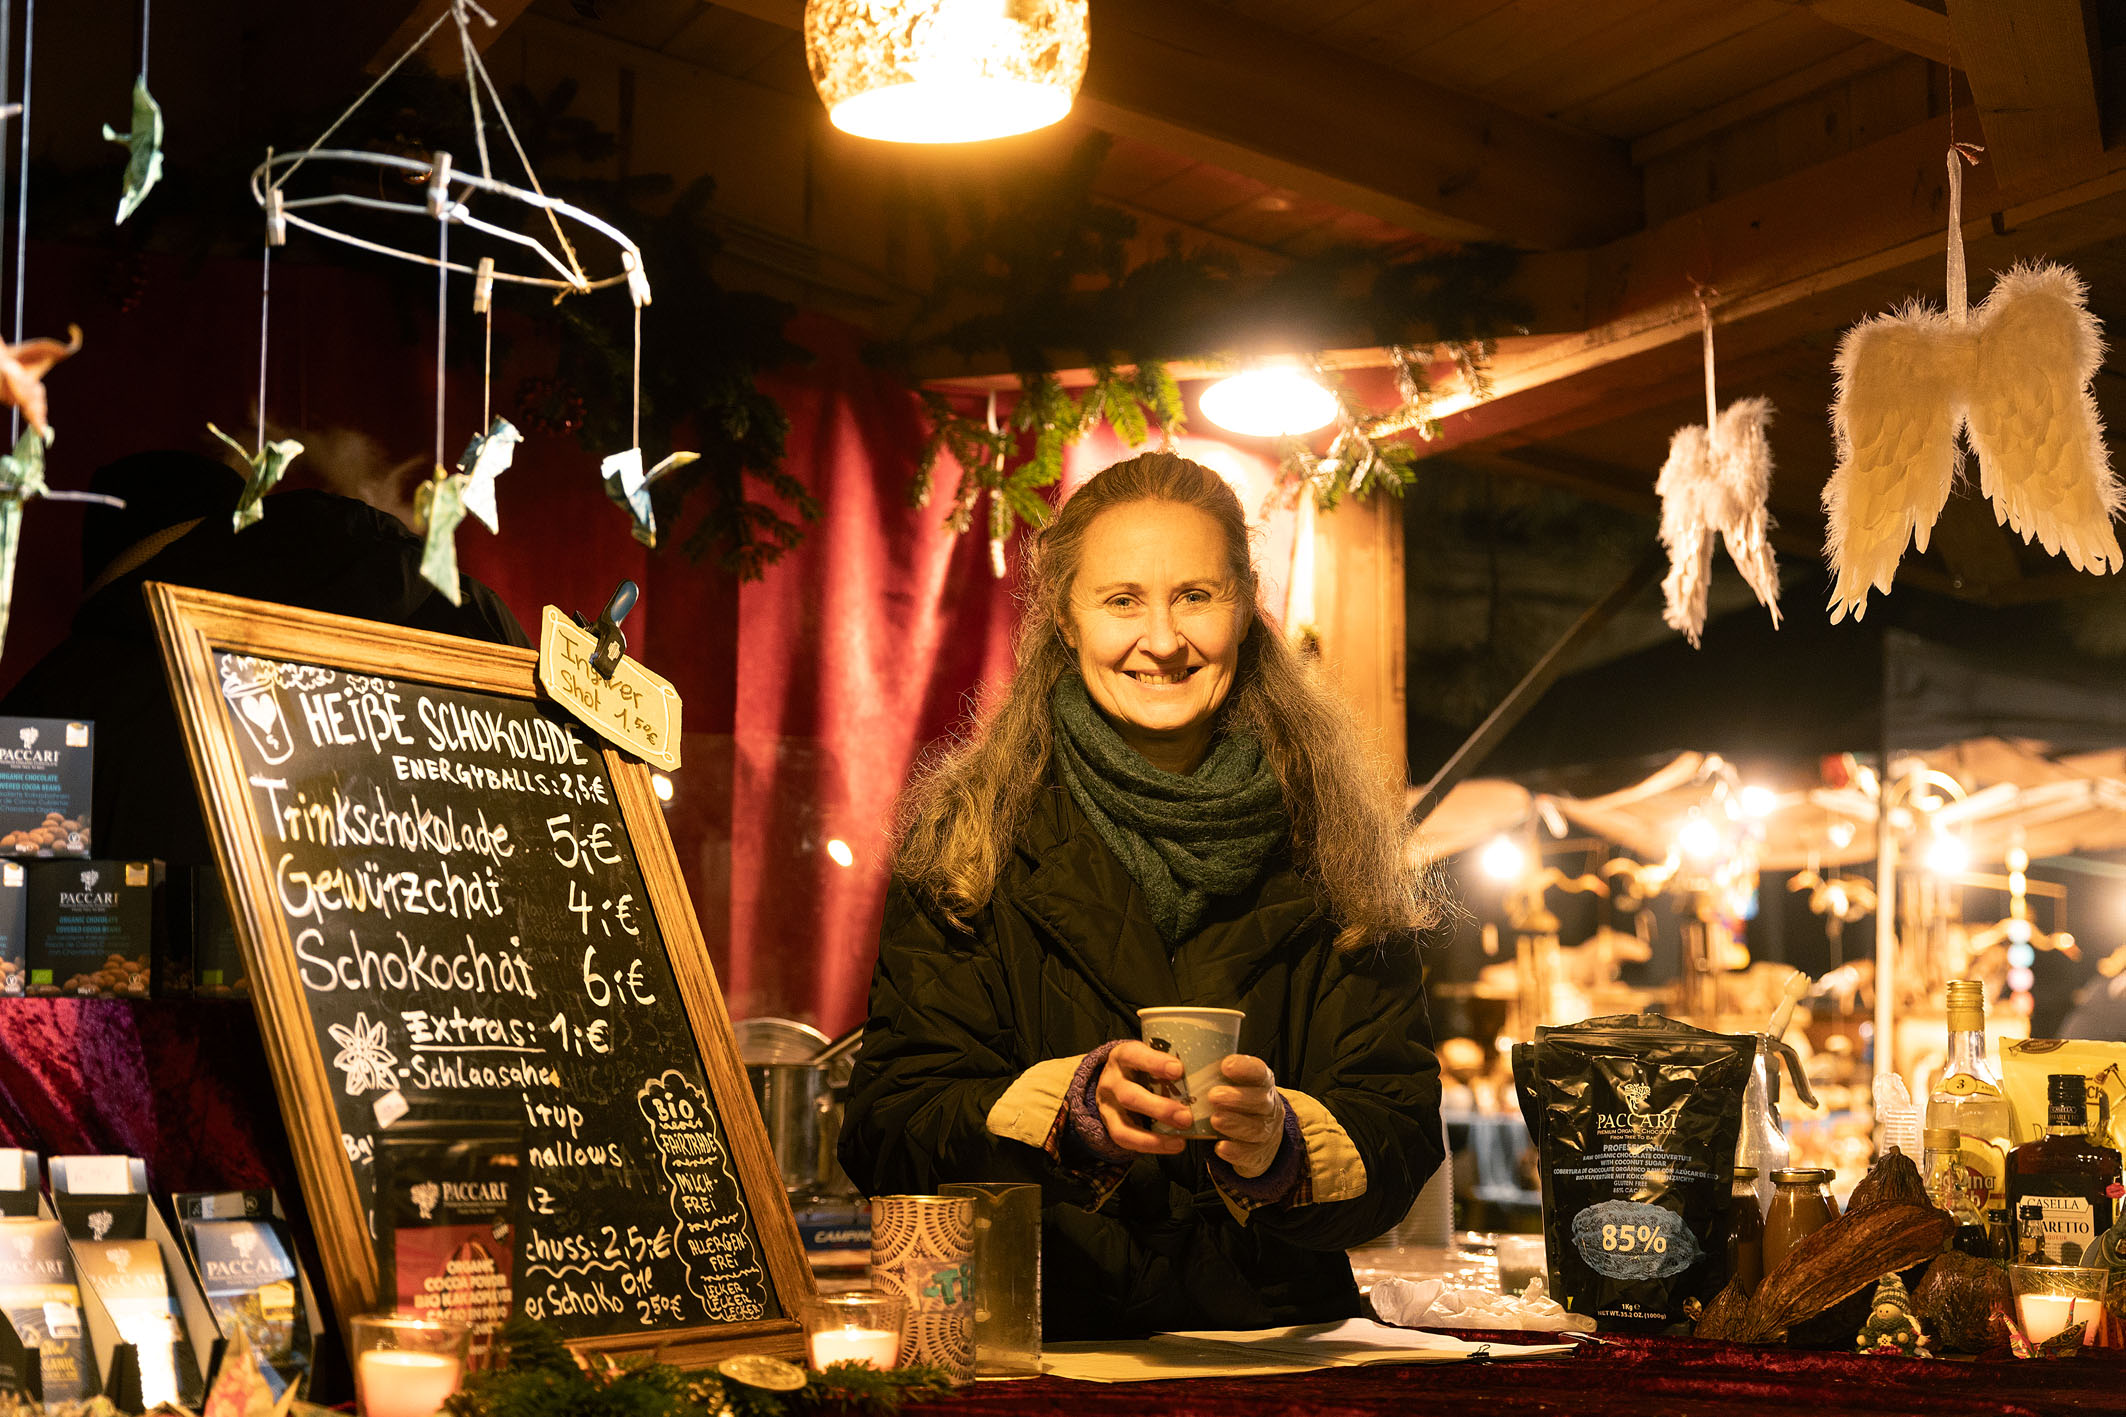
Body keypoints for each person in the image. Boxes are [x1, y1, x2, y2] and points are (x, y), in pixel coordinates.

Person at [840, 451, 1445, 1339]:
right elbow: (888, 1127)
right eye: (1123, 599)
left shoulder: (1339, 843)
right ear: (1067, 616)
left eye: (1195, 595)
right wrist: (1066, 1112)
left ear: (1244, 605)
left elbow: (1400, 1120)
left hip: (1276, 1355)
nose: (1162, 640)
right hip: (1042, 1344)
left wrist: (1281, 1149)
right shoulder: (968, 838)